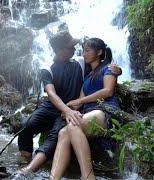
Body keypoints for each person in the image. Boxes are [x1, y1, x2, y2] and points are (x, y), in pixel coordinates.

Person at [16, 31, 122, 176]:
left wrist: (117, 70)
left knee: (57, 134)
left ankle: (31, 168)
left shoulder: (80, 61)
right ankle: (25, 158)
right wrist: (67, 109)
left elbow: (103, 65)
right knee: (28, 125)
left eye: (81, 48)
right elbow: (51, 93)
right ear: (60, 50)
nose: (76, 49)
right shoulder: (47, 67)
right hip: (54, 105)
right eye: (71, 46)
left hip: (73, 107)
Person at [50, 38, 121, 180]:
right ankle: (54, 178)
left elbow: (108, 91)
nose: (84, 54)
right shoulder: (88, 76)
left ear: (100, 52)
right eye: (83, 50)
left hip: (105, 110)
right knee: (63, 133)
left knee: (73, 126)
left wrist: (80, 100)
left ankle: (88, 177)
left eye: (88, 50)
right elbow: (78, 104)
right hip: (90, 114)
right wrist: (68, 109)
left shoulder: (109, 68)